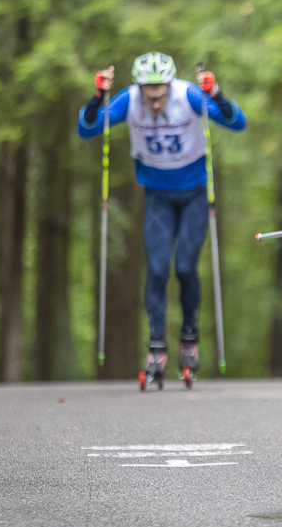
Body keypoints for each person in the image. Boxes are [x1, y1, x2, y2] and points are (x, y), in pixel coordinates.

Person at [78, 52, 246, 388]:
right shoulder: (128, 100)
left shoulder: (188, 96)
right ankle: (156, 345)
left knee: (185, 267)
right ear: (140, 88)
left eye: (160, 96)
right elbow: (88, 128)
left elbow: (235, 121)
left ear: (170, 85)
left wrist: (216, 95)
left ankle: (189, 336)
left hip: (195, 194)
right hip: (156, 195)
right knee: (156, 268)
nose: (154, 104)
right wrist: (98, 97)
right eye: (148, 97)